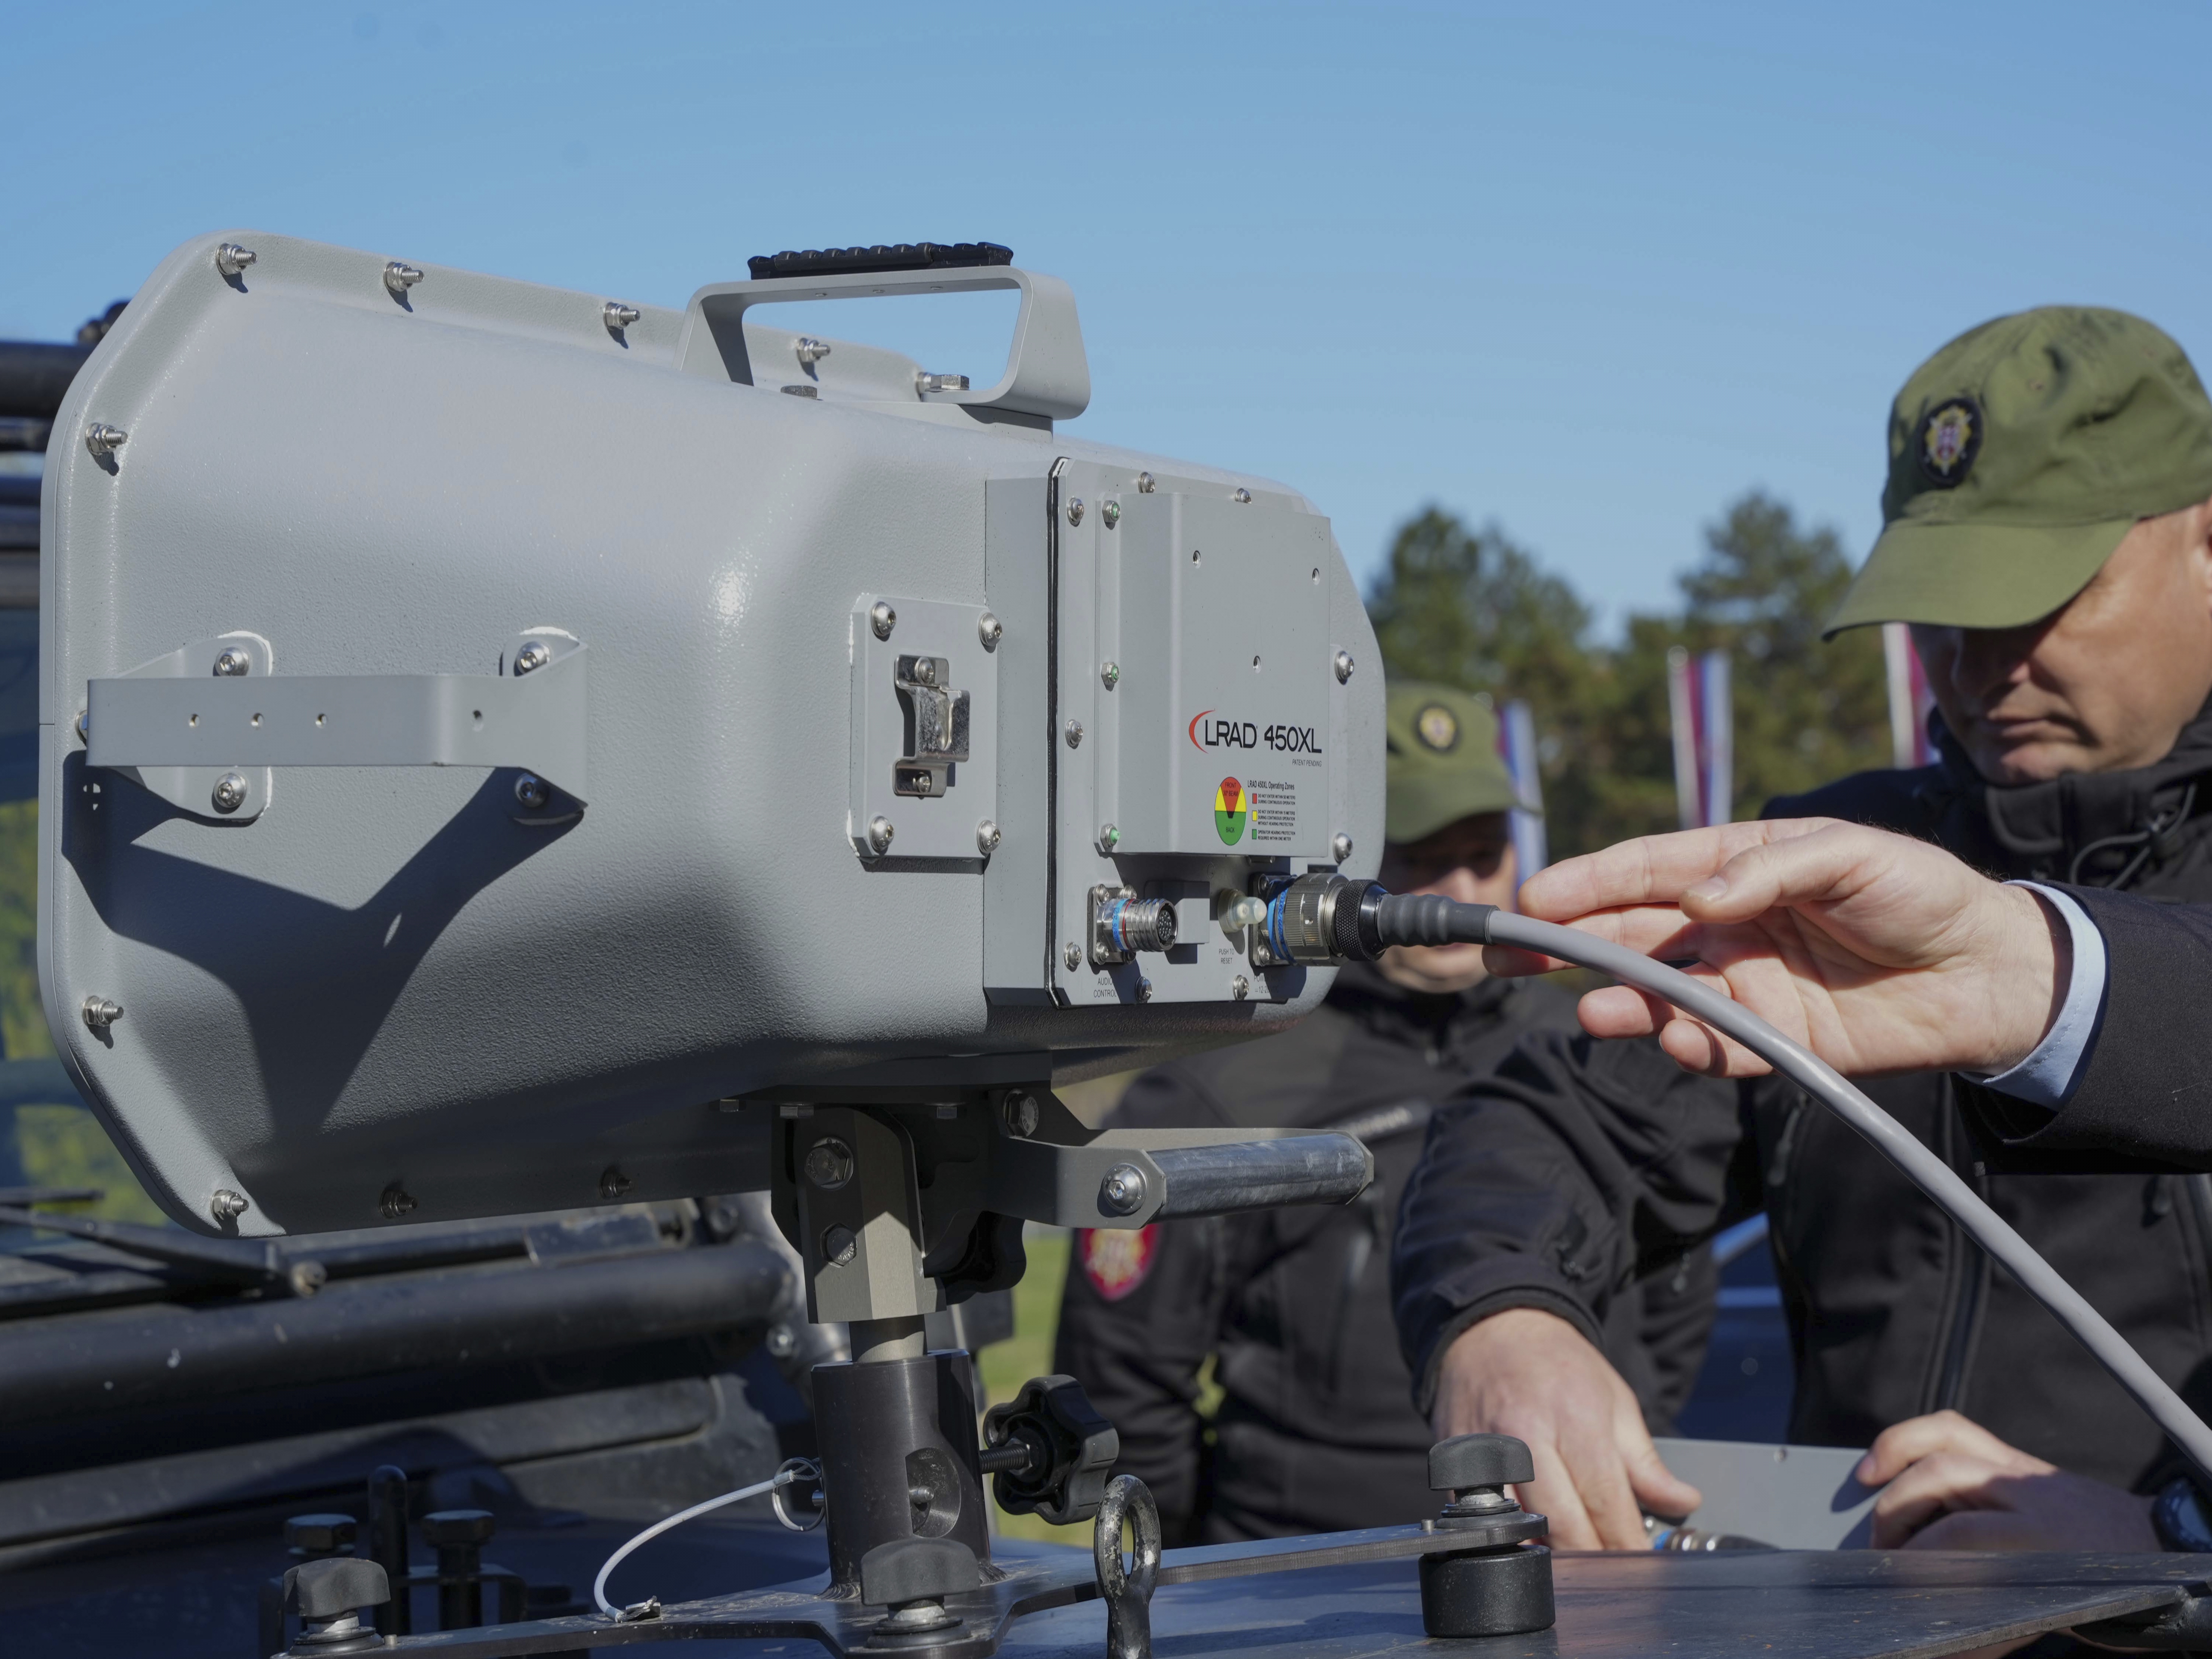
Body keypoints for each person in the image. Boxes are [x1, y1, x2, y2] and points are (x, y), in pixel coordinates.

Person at [1393, 306, 2212, 1557]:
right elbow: (1553, 1112)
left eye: (2043, 592)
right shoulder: (1830, 870)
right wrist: (1500, 1321)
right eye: (1941, 604)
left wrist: (2168, 1540)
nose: (1977, 662)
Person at [1051, 683, 1714, 1545]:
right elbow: (1125, 1376)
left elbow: (1676, 1278)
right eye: (1421, 857)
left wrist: (1612, 1432)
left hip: (1572, 1575)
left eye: (1484, 853)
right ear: (1345, 859)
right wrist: (1207, 1575)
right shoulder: (1228, 1081)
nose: (1461, 886)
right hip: (1309, 1592)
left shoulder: (1590, 1046)